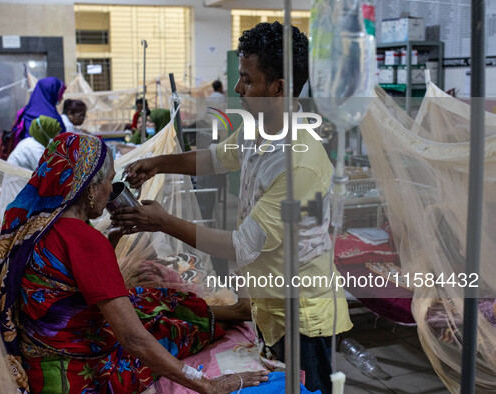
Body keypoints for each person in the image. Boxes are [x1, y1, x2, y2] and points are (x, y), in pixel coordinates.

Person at [111, 22, 352, 394]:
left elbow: (242, 245)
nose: (238, 89)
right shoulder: (260, 128)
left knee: (307, 387)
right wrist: (160, 163)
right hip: (269, 301)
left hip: (302, 314)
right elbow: (216, 159)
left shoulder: (299, 163)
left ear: (279, 88)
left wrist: (161, 221)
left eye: (247, 80)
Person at [0, 132, 268, 393]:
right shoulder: (85, 240)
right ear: (90, 188)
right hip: (82, 376)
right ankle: (228, 316)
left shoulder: (30, 225)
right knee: (169, 324)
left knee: (150, 299)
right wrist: (209, 385)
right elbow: (133, 339)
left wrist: (111, 239)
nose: (110, 190)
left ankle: (233, 312)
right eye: (109, 181)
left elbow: (75, 283)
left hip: (37, 362)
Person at [0, 115, 62, 219]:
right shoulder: (34, 149)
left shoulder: (30, 143)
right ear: (46, 133)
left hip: (21, 193)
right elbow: (49, 174)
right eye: (54, 135)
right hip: (18, 194)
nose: (55, 140)